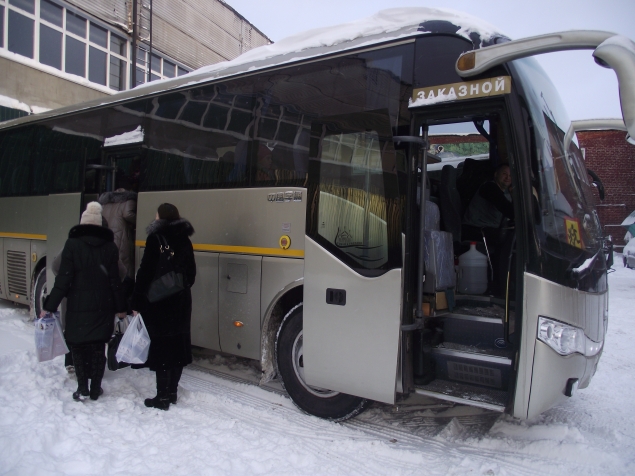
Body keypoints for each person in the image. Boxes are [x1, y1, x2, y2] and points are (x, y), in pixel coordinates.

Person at [42, 202, 127, 401]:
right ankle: (96, 388)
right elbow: (116, 281)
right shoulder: (110, 247)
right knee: (98, 347)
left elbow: (62, 280)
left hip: (77, 305)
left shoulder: (72, 245)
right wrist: (121, 307)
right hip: (102, 305)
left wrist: (49, 306)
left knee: (78, 347)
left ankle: (82, 388)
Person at [131, 203, 196, 411]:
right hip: (182, 301)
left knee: (161, 348)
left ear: (160, 217)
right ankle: (173, 393)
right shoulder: (185, 240)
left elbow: (145, 272)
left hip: (159, 302)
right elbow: (191, 275)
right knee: (177, 345)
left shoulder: (155, 239)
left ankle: (162, 396)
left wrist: (137, 300)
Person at [462, 163, 515, 295]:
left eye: (510, 175)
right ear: (496, 174)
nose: (507, 178)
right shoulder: (489, 188)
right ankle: (500, 288)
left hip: (488, 230)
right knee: (508, 241)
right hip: (475, 229)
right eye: (504, 174)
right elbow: (507, 209)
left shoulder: (506, 192)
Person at [98, 186, 137, 280]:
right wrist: (138, 221)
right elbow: (128, 214)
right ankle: (126, 284)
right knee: (124, 260)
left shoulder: (105, 203)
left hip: (107, 235)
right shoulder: (129, 199)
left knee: (110, 260)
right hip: (121, 233)